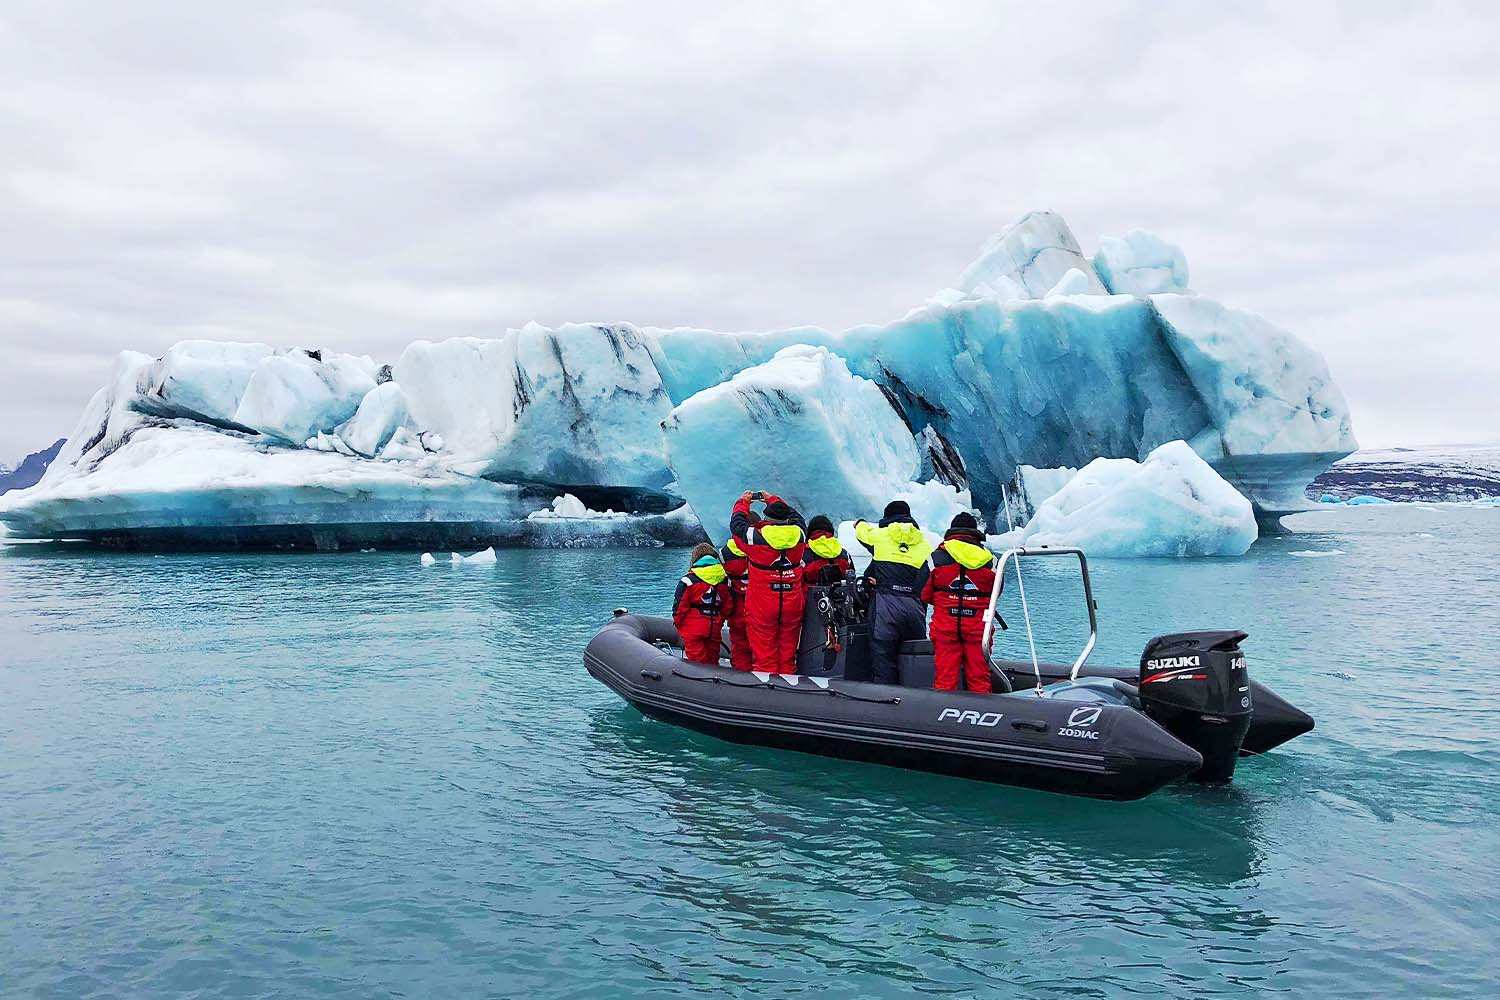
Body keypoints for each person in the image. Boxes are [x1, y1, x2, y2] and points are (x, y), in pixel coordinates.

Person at [853, 500, 933, 684]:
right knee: (913, 657)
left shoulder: (881, 536)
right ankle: (916, 704)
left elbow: (861, 531)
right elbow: (925, 582)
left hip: (886, 608)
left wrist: (859, 523)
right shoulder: (921, 542)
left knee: (883, 658)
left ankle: (886, 703)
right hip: (914, 609)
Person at [730, 490, 808, 675]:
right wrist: (773, 500)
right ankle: (788, 687)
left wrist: (743, 501)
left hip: (762, 604)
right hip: (792, 602)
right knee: (788, 653)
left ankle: (766, 692)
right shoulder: (800, 535)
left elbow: (737, 525)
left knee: (764, 656)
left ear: (766, 518)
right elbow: (798, 518)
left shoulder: (755, 538)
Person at [920, 512, 997, 693]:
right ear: (975, 533)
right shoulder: (990, 561)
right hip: (978, 628)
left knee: (945, 680)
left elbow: (924, 594)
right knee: (980, 679)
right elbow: (995, 593)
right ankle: (982, 716)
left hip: (945, 627)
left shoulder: (935, 558)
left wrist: (947, 600)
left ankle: (944, 716)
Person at [672, 542, 734, 665]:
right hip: (713, 628)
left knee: (697, 663)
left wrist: (679, 624)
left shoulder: (688, 580)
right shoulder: (723, 580)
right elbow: (728, 606)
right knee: (712, 660)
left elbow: (679, 607)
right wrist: (719, 620)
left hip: (692, 629)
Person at [719, 535, 754, 671]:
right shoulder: (762, 550)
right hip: (760, 607)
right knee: (764, 648)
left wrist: (725, 611)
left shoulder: (724, 553)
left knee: (740, 647)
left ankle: (741, 679)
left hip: (737, 609)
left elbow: (722, 582)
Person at [801, 514, 853, 585]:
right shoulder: (844, 553)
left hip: (812, 594)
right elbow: (851, 578)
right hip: (839, 594)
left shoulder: (802, 553)